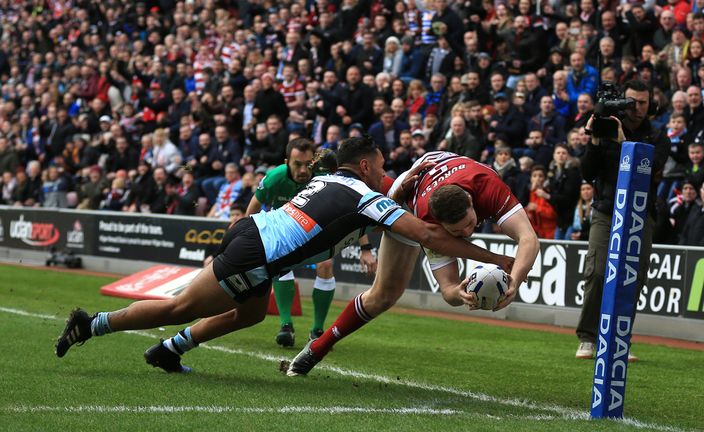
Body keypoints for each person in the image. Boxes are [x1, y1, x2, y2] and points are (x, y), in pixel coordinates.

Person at [56, 137, 513, 373]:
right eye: (383, 165)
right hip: (255, 254)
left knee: (250, 316)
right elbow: (429, 237)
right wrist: (499, 260)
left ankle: (169, 350)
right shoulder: (363, 195)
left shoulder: (334, 183)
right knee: (178, 307)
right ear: (368, 165)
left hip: (257, 245)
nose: (387, 173)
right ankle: (90, 324)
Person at [285, 150, 540, 376]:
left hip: (445, 170)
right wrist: (461, 293)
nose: (467, 233)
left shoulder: (488, 186)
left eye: (470, 225)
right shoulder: (426, 218)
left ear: (473, 204)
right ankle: (319, 346)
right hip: (410, 197)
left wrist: (513, 283)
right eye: (457, 231)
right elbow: (448, 291)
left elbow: (529, 238)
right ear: (440, 225)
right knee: (383, 296)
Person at [244, 138, 377, 346]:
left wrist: (366, 248)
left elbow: (351, 212)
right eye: (297, 164)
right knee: (281, 264)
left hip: (316, 234)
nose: (303, 170)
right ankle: (286, 326)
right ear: (287, 161)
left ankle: (317, 331)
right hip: (283, 234)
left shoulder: (326, 177)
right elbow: (252, 208)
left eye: (308, 164)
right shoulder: (274, 178)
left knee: (325, 265)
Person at [575, 80, 671, 361]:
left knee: (633, 278)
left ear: (651, 104)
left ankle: (618, 340)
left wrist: (623, 143)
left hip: (640, 214)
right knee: (598, 271)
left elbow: (647, 167)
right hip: (606, 210)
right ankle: (588, 337)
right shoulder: (604, 128)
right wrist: (594, 140)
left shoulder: (657, 136)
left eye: (643, 102)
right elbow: (587, 172)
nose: (637, 108)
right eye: (632, 102)